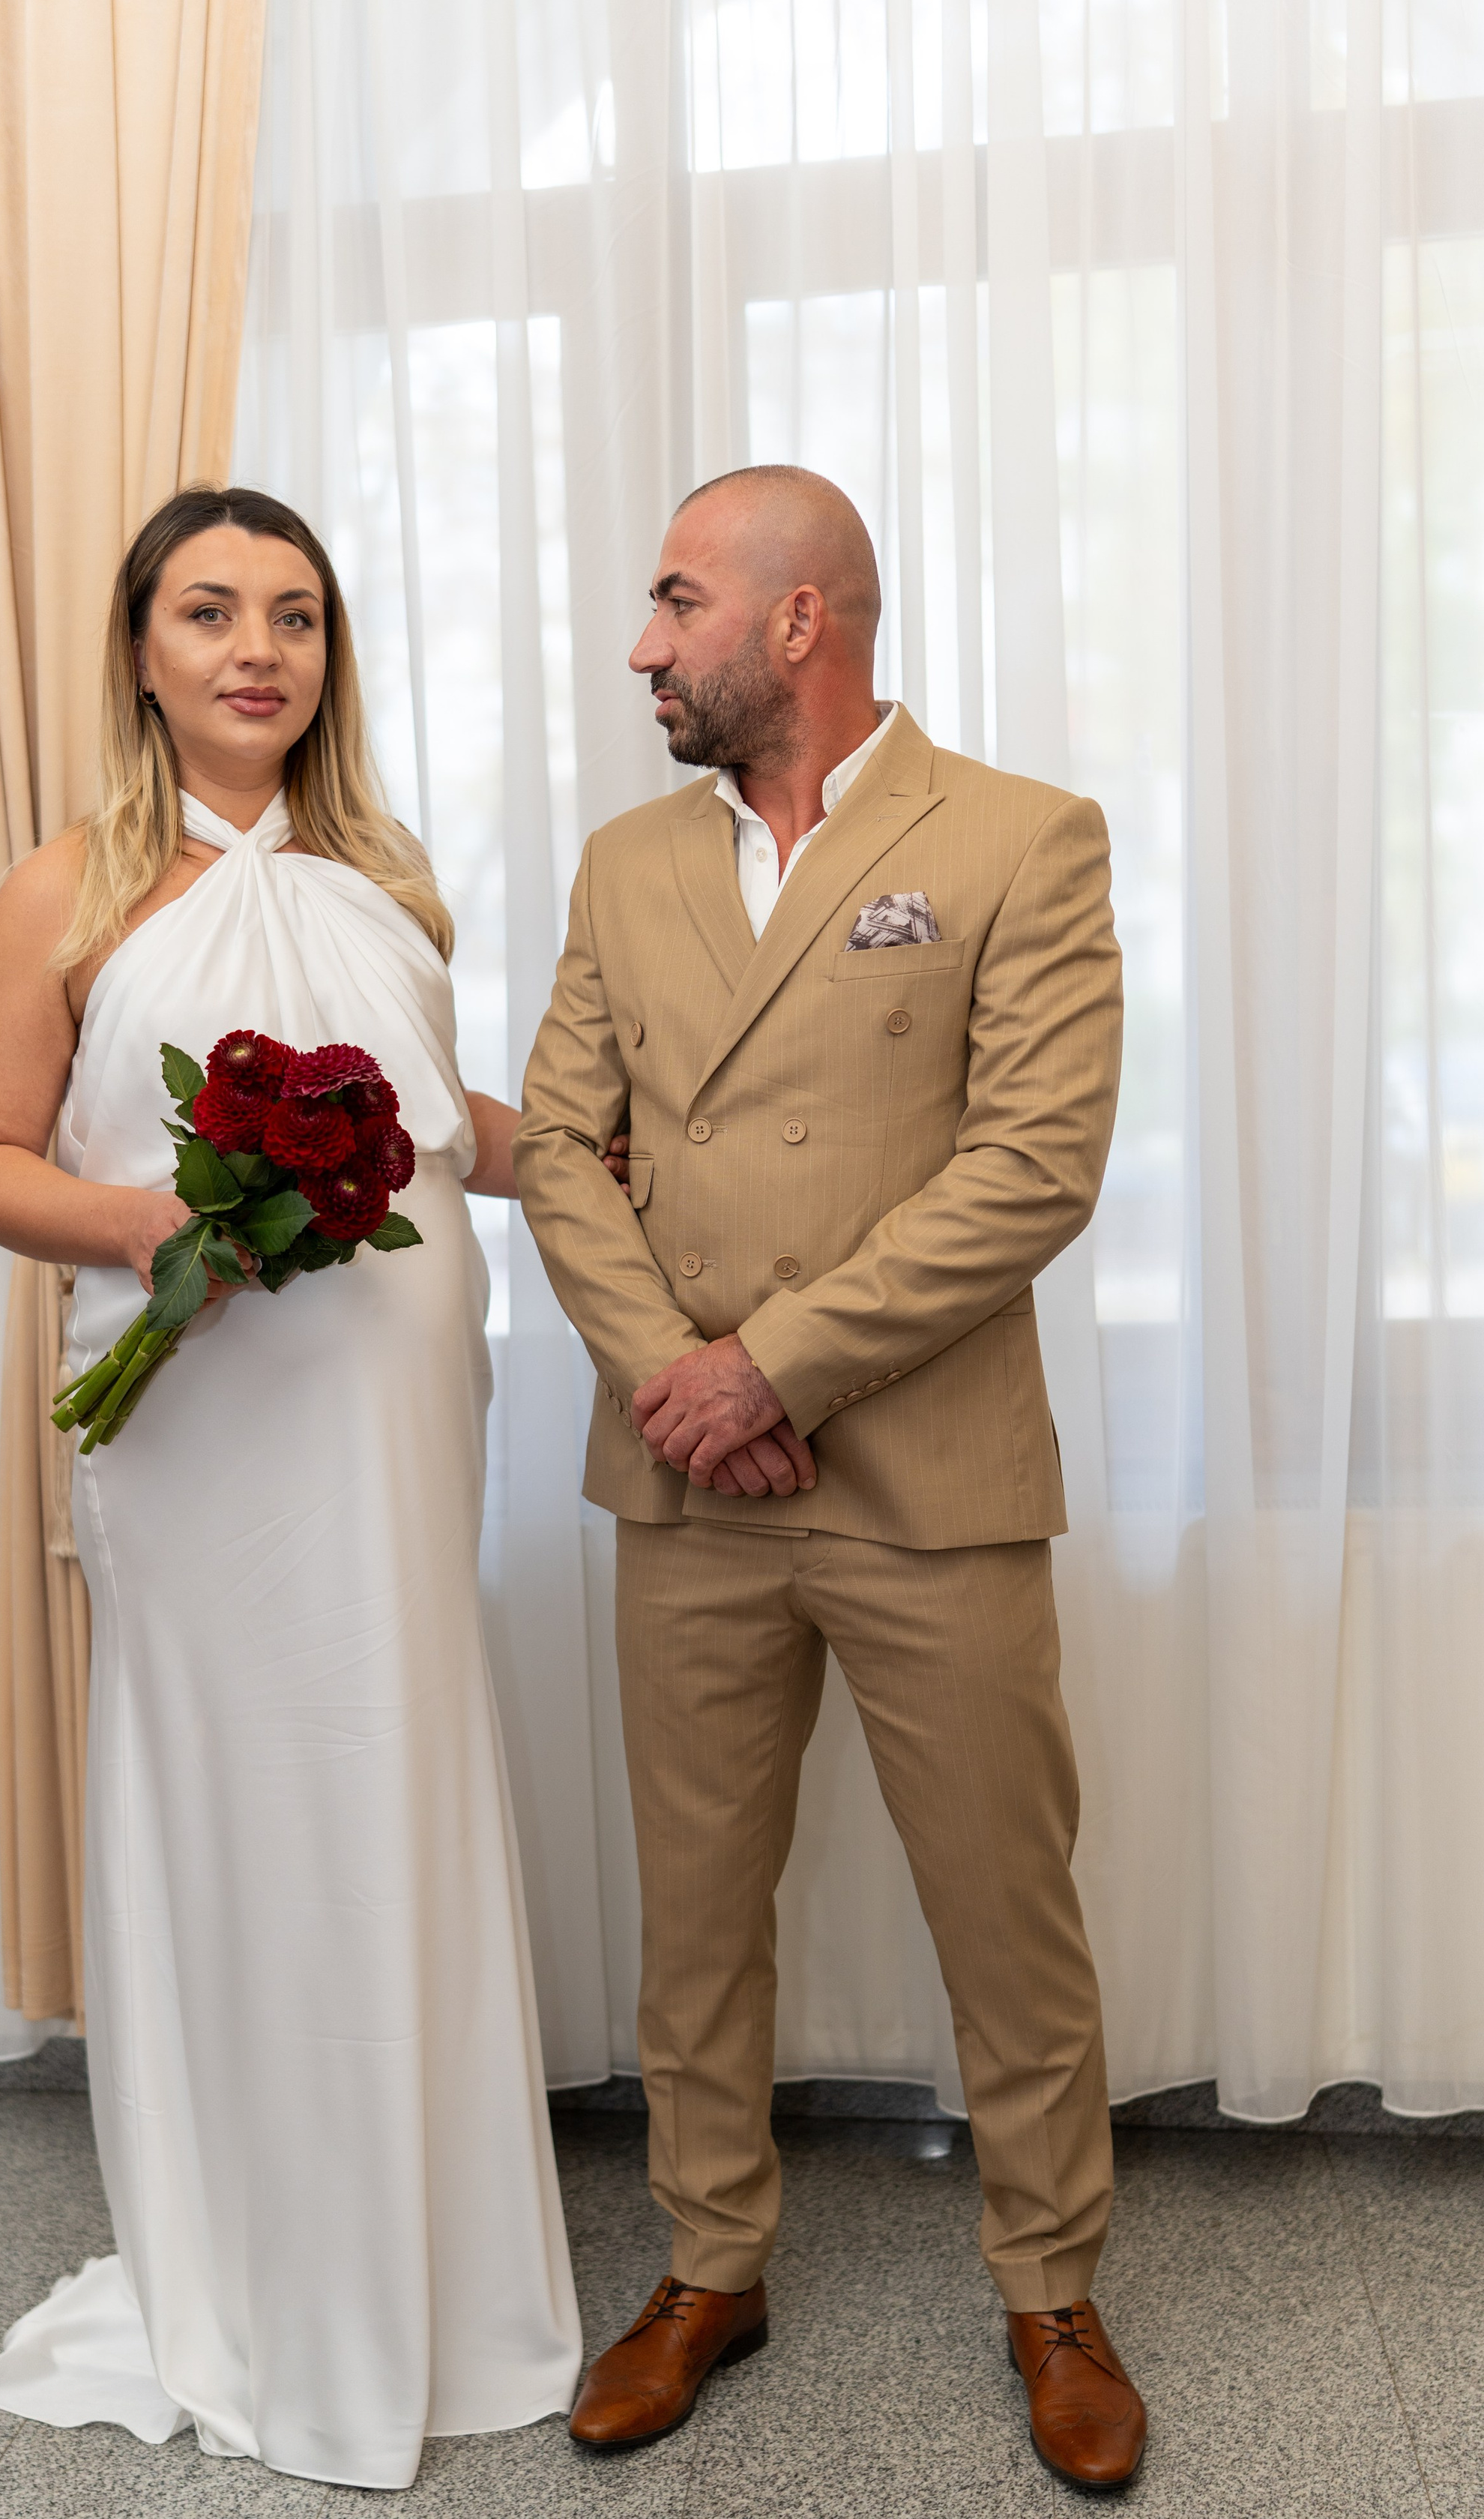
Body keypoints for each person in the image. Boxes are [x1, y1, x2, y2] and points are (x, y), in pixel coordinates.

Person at [0, 486, 581, 2491]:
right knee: (242, 1795)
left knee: (394, 1776)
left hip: (393, 1417)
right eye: (211, 611)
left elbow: (434, 1121)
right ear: (140, 646)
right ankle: (253, 2262)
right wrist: (146, 1218)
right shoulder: (67, 886)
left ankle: (425, 2256)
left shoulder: (392, 880)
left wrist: (603, 1143)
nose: (258, 649)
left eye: (296, 616)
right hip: (207, 1426)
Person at [513, 466, 1147, 2492]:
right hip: (688, 1488)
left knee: (1007, 1911)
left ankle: (1051, 2286)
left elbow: (1030, 1167)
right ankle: (712, 2262)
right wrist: (676, 1382)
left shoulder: (1020, 837)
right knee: (697, 1917)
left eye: (673, 597)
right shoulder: (625, 864)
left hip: (927, 1478)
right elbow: (553, 1143)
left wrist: (769, 1363)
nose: (641, 642)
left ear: (801, 620)